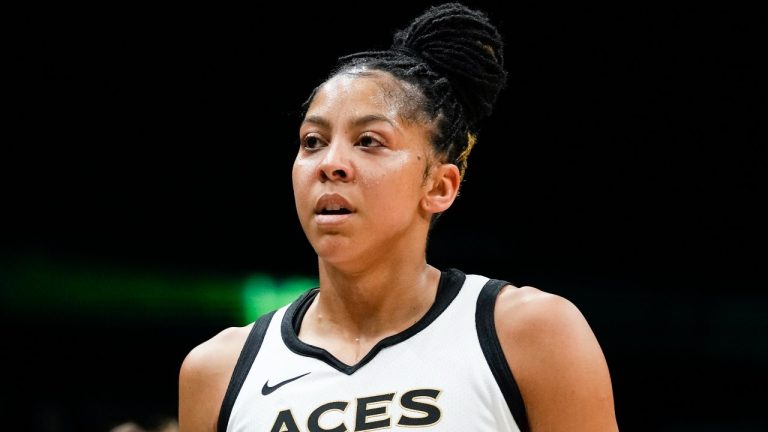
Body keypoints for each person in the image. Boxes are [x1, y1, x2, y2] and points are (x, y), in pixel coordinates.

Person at [179, 2, 618, 431]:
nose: (331, 164)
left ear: (439, 186)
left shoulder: (531, 333)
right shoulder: (218, 369)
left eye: (369, 141)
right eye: (312, 141)